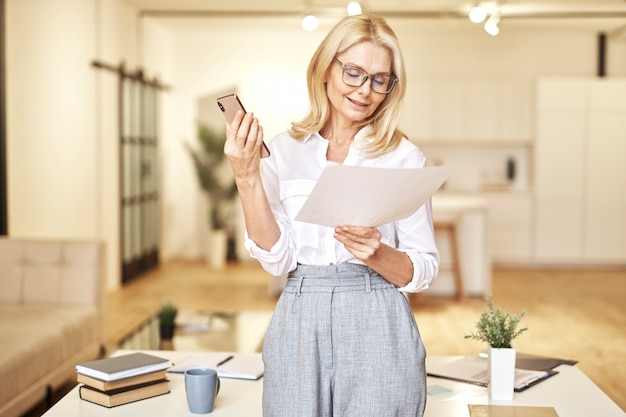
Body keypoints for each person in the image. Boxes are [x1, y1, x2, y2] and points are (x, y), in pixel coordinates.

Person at [224, 13, 439, 417]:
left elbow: (423, 267)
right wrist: (246, 176)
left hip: (378, 315)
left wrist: (376, 253)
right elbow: (277, 260)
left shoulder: (404, 157)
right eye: (354, 72)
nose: (365, 90)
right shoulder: (284, 151)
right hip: (301, 314)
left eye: (380, 79)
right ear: (325, 68)